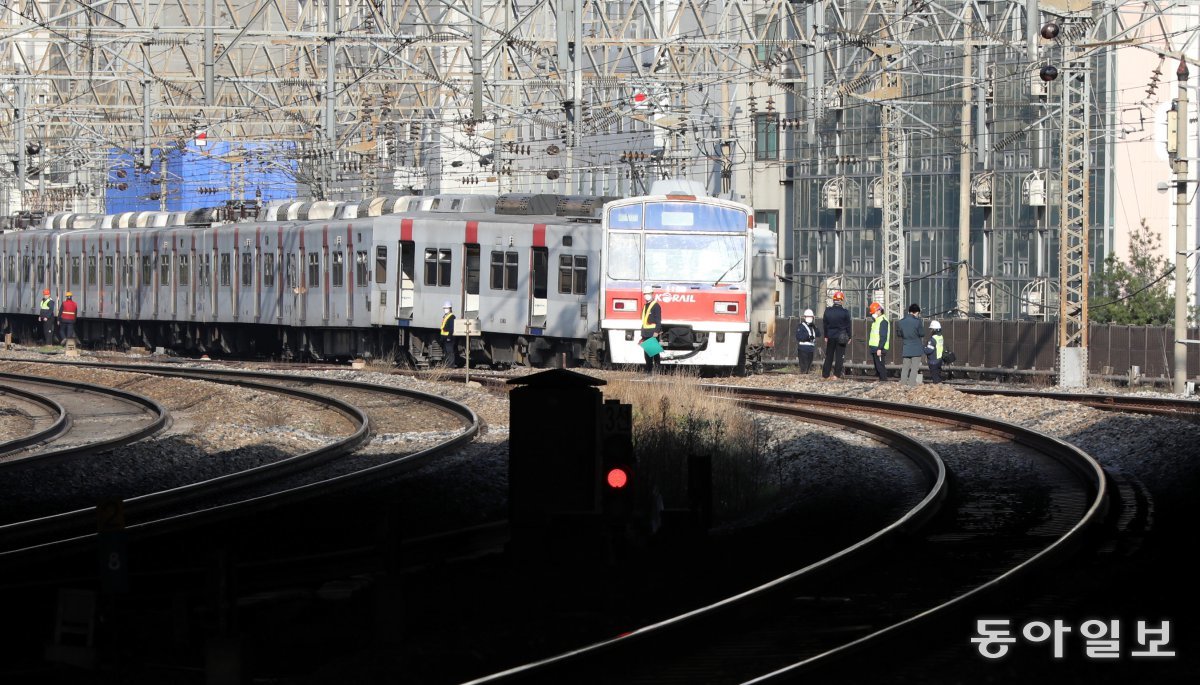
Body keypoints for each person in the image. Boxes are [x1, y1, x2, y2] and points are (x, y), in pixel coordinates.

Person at [821, 291, 851, 380]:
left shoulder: (828, 311)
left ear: (834, 300)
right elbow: (848, 325)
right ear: (841, 301)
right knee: (839, 356)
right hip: (841, 337)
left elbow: (825, 325)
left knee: (829, 355)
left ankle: (825, 375)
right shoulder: (845, 312)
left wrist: (826, 336)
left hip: (830, 336)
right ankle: (836, 375)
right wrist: (849, 336)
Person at [897, 303, 925, 386]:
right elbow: (922, 333)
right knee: (914, 368)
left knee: (905, 367)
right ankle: (911, 384)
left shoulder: (901, 322)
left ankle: (903, 383)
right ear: (916, 312)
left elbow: (899, 334)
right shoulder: (917, 322)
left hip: (906, 347)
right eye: (918, 314)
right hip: (916, 348)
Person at [640, 286, 663, 374]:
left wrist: (656, 332)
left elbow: (658, 321)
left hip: (652, 332)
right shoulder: (646, 306)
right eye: (645, 294)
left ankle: (657, 370)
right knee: (647, 354)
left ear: (652, 294)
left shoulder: (656, 306)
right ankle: (649, 370)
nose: (647, 295)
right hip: (645, 333)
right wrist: (642, 333)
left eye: (648, 294)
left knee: (654, 353)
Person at [867, 301, 890, 381]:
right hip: (875, 347)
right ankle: (881, 381)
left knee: (880, 367)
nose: (873, 314)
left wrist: (880, 348)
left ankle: (883, 381)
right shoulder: (876, 320)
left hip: (879, 348)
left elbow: (883, 336)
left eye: (873, 312)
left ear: (879, 310)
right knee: (877, 366)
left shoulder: (883, 321)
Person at [796, 309, 818, 374]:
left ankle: (805, 374)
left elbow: (819, 334)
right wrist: (808, 337)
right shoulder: (801, 326)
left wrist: (815, 327)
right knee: (803, 366)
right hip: (803, 348)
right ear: (804, 317)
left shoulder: (813, 326)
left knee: (808, 366)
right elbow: (798, 337)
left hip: (811, 348)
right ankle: (803, 376)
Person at [439, 301, 457, 367]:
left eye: (446, 308)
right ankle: (446, 364)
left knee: (450, 352)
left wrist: (449, 337)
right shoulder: (445, 316)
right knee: (446, 352)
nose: (445, 309)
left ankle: (451, 365)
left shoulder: (452, 317)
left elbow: (451, 328)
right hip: (444, 337)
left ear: (450, 308)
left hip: (449, 338)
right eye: (444, 308)